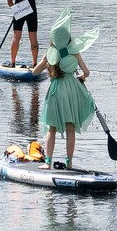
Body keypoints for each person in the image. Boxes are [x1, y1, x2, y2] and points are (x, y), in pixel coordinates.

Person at [32, 16, 97, 169]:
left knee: (51, 127)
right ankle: (69, 162)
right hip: (72, 89)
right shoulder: (74, 52)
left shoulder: (50, 53)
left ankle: (47, 163)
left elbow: (35, 72)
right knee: (70, 127)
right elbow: (86, 72)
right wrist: (80, 78)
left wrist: (46, 63)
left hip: (55, 90)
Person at [6, 0, 48, 67]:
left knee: (16, 37)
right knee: (33, 38)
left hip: (19, 11)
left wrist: (16, 9)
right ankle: (34, 64)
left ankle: (13, 62)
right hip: (31, 12)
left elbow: (9, 2)